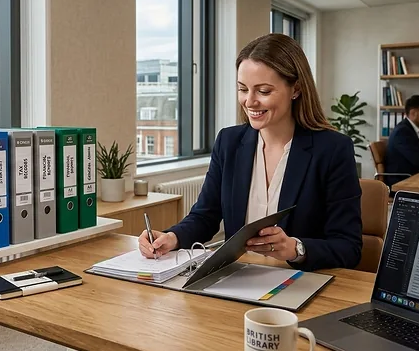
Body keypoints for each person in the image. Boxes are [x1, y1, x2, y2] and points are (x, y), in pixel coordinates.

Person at [137, 33, 363, 272]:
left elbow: (348, 247)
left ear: (295, 89)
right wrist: (172, 238)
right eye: (243, 89)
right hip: (238, 280)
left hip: (302, 282)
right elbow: (205, 216)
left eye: (263, 91)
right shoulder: (229, 142)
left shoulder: (332, 149)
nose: (249, 101)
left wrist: (295, 248)